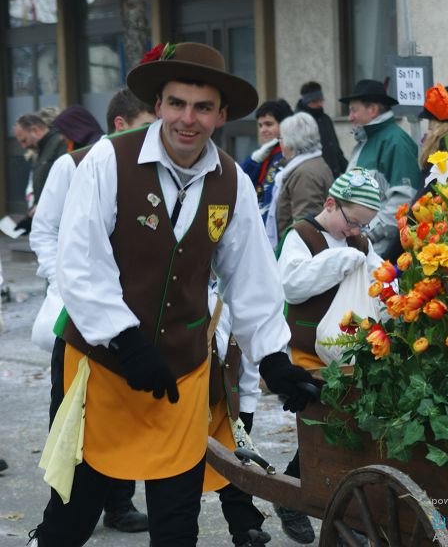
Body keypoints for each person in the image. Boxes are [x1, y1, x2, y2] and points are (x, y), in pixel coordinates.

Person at [30, 42, 321, 547]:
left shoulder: (232, 181)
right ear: (159, 105)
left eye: (203, 107)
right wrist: (125, 342)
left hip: (182, 377)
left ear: (221, 114)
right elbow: (80, 262)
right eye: (177, 104)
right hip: (103, 368)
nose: (188, 119)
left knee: (176, 522)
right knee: (73, 514)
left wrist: (273, 358)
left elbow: (251, 276)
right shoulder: (107, 160)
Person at [29, 89, 156, 534]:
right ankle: (63, 507)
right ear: (122, 124)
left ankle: (118, 503)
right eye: (147, 120)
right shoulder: (74, 163)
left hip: (131, 318)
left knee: (123, 408)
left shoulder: (152, 169)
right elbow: (44, 232)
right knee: (71, 412)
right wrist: (67, 283)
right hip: (78, 317)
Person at [275, 167, 384, 544]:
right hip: (309, 355)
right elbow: (291, 285)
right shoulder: (301, 236)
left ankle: (345, 499)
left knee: (350, 423)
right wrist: (337, 263)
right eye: (353, 222)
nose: (356, 232)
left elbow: (381, 282)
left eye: (364, 227)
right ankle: (295, 493)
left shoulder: (359, 244)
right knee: (326, 423)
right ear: (330, 204)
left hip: (351, 352)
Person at [205, 278, 271, 547]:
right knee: (178, 476)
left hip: (221, 402)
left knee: (236, 466)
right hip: (183, 404)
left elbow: (246, 358)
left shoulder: (232, 293)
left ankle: (247, 530)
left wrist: (246, 407)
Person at [341, 79, 421, 257]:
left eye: (354, 110)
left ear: (373, 109)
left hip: (377, 250)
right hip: (362, 246)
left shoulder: (395, 142)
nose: (350, 117)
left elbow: (402, 200)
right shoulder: (367, 140)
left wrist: (366, 235)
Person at [267, 111, 334, 247]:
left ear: (291, 143)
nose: (280, 144)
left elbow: (305, 226)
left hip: (299, 253)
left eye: (281, 138)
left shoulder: (305, 174)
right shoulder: (311, 164)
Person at [12, 113, 68, 233]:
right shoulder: (41, 149)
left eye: (24, 140)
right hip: (48, 218)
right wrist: (34, 208)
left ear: (35, 130)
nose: (23, 146)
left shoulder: (59, 142)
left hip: (59, 221)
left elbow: (63, 181)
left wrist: (42, 206)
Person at [240, 99, 294, 223]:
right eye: (260, 125)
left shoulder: (287, 155)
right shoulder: (264, 153)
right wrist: (253, 161)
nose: (263, 130)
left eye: (269, 124)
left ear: (285, 125)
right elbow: (240, 181)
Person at [295, 81, 348, 178]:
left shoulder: (326, 119)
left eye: (321, 100)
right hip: (314, 178)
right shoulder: (299, 122)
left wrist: (348, 171)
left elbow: (336, 150)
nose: (319, 104)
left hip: (333, 175)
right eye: (315, 101)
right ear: (306, 102)